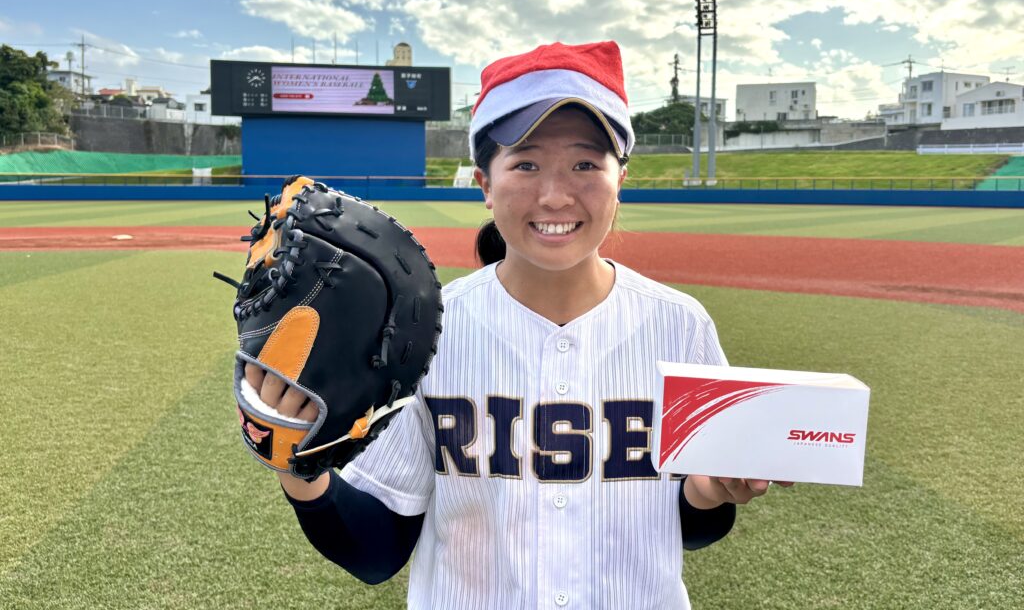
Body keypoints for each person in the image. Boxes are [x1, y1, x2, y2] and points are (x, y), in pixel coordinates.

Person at [244, 41, 787, 609]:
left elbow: (690, 526)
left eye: (585, 164)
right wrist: (300, 469)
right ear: (485, 183)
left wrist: (705, 493)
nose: (555, 196)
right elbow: (377, 549)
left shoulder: (681, 326)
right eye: (525, 163)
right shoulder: (426, 331)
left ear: (620, 178)